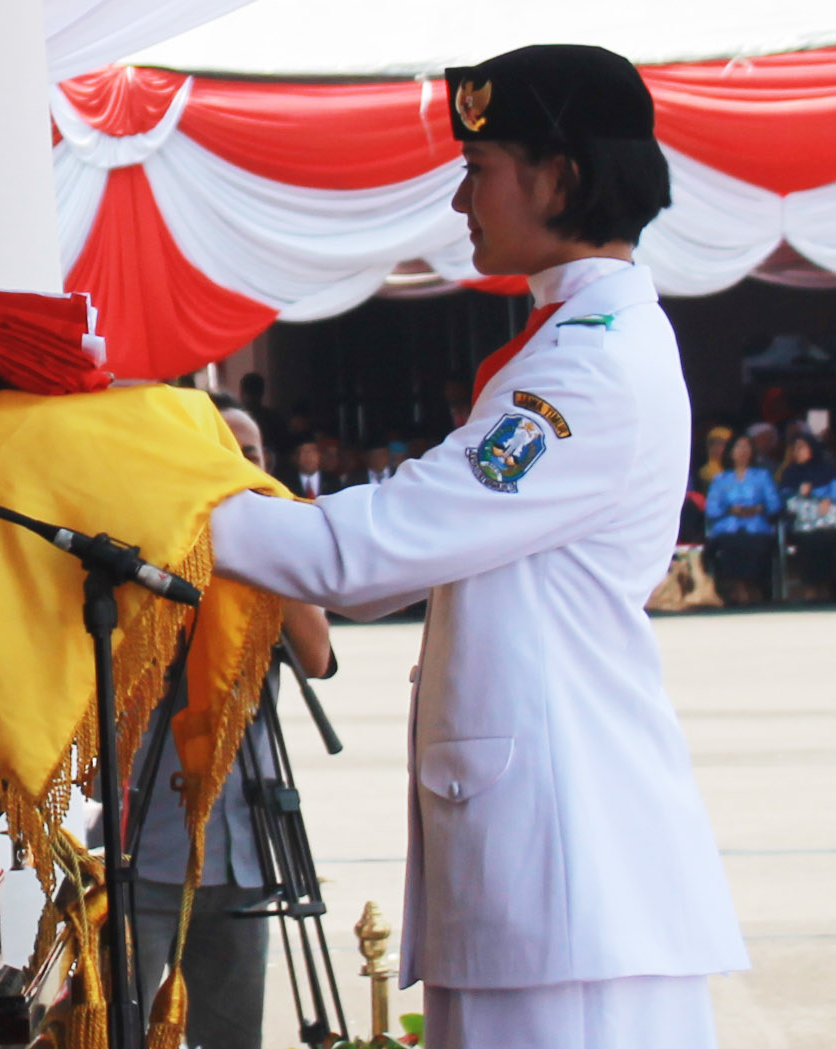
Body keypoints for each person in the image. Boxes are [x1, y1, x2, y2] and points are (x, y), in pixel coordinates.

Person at [206, 45, 746, 1049]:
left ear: (560, 175)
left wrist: (170, 505)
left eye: (480, 167)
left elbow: (364, 556)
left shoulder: (586, 371)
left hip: (569, 881)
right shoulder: (570, 343)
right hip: (544, 871)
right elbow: (373, 580)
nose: (461, 199)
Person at [128, 390, 338, 1049]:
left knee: (232, 1037)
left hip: (246, 843)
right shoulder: (153, 540)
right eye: (228, 455)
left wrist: (270, 535)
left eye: (253, 456)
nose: (244, 468)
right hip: (152, 846)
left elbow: (316, 652)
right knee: (126, 1029)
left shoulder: (276, 543)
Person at [704, 432, 781, 605]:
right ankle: (737, 588)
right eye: (739, 447)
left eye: (747, 447)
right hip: (728, 527)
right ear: (730, 452)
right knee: (730, 545)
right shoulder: (720, 479)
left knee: (756, 545)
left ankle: (752, 588)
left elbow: (775, 504)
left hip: (756, 526)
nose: (743, 451)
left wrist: (759, 508)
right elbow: (712, 509)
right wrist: (731, 509)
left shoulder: (762, 476)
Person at [779, 432, 836, 598]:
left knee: (828, 538)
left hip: (829, 522)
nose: (798, 451)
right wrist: (801, 494)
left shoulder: (828, 470)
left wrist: (828, 499)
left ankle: (828, 586)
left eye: (802, 447)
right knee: (811, 541)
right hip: (802, 524)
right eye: (795, 448)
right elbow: (786, 501)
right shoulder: (790, 473)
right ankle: (811, 586)